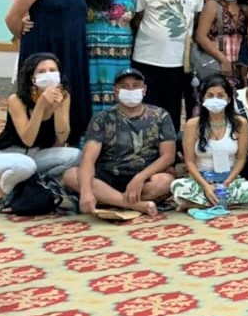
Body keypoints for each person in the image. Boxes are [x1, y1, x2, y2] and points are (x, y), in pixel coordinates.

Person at [6, 0, 91, 139]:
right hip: (44, 49)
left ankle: (69, 139)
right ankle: (33, 138)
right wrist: (25, 34)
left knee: (70, 95)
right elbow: (12, 17)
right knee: (40, 95)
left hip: (72, 49)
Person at [62, 68, 177, 216]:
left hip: (144, 179)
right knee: (71, 175)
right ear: (116, 91)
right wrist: (86, 191)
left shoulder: (160, 115)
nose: (131, 90)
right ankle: (133, 204)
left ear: (144, 89)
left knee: (165, 181)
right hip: (107, 177)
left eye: (135, 86)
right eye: (125, 86)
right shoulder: (102, 118)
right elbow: (88, 158)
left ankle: (108, 199)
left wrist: (140, 178)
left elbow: (168, 156)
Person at [0, 54, 81, 202]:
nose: (48, 74)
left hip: (35, 155)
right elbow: (28, 140)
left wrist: (58, 108)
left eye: (52, 70)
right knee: (26, 166)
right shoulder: (17, 100)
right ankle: (5, 189)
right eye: (41, 71)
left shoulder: (64, 96)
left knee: (76, 155)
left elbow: (62, 138)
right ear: (32, 78)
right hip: (5, 155)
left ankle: (36, 183)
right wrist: (40, 106)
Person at [131, 0, 205, 132]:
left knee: (172, 108)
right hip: (147, 58)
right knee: (146, 107)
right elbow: (137, 17)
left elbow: (196, 17)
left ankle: (170, 145)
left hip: (179, 61)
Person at [171, 76, 248, 211]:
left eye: (220, 96)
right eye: (210, 95)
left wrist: (226, 184)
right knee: (178, 186)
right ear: (202, 99)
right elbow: (189, 162)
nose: (215, 99)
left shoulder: (240, 123)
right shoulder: (192, 124)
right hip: (201, 180)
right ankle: (223, 203)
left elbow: (241, 159)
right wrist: (206, 186)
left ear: (229, 99)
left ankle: (201, 203)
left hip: (230, 180)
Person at [82, 0, 138, 114]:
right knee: (91, 87)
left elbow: (140, 13)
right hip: (92, 48)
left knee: (120, 86)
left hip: (122, 49)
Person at [195, 0, 248, 90]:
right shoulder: (213, 6)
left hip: (241, 66)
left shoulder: (245, 8)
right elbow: (201, 36)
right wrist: (223, 60)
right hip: (217, 62)